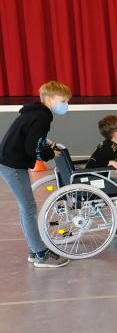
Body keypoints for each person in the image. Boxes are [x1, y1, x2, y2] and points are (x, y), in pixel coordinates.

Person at [0, 80, 72, 268]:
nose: (66, 105)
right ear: (48, 98)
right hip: (11, 164)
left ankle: (35, 250)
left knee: (27, 207)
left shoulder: (35, 113)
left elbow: (32, 138)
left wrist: (47, 144)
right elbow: (33, 148)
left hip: (10, 161)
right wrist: (50, 153)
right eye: (62, 100)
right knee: (29, 207)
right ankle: (40, 254)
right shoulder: (42, 117)